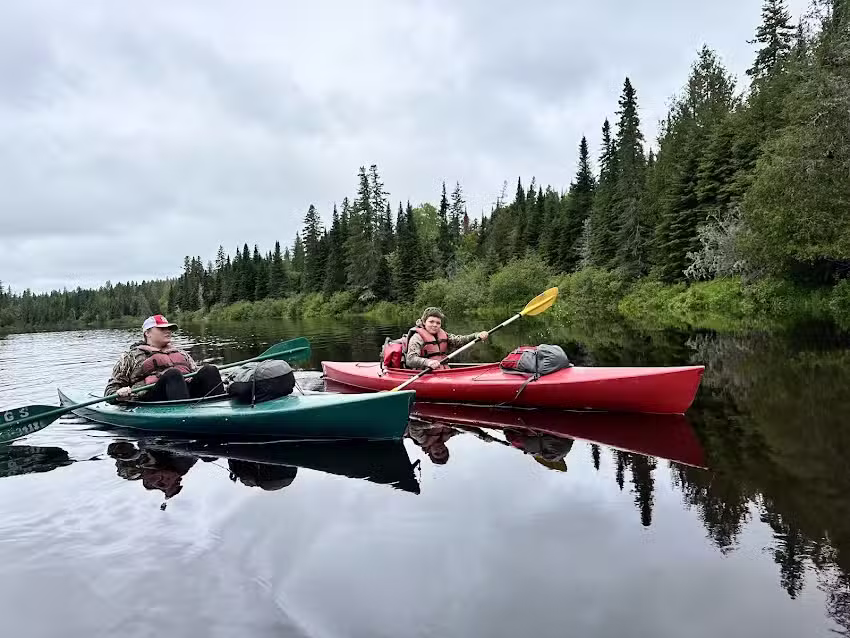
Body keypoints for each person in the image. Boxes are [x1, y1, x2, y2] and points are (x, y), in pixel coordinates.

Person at [105, 314, 224, 402]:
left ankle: (219, 406)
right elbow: (109, 392)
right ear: (147, 333)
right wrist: (119, 394)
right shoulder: (130, 357)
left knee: (210, 370)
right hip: (153, 399)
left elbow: (196, 374)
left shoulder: (181, 353)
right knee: (173, 374)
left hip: (188, 394)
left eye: (169, 329)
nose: (168, 331)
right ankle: (183, 415)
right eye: (162, 329)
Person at [405, 307, 489, 370]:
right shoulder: (417, 337)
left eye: (438, 323)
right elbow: (410, 360)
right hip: (425, 372)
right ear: (424, 322)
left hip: (444, 371)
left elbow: (459, 340)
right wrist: (428, 362)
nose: (435, 325)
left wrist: (476, 335)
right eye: (431, 322)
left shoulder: (443, 334)